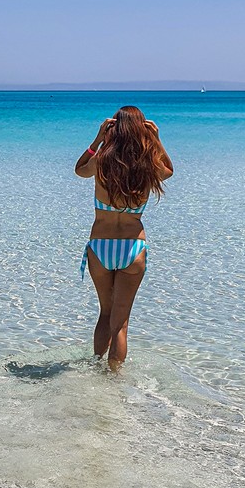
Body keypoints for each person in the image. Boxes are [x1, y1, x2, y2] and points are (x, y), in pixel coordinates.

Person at [75, 106, 173, 368]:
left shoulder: (102, 163)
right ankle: (114, 379)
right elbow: (169, 170)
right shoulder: (147, 167)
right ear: (142, 130)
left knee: (105, 314)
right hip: (133, 248)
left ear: (114, 129)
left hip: (100, 246)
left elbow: (79, 169)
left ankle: (96, 367)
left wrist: (98, 139)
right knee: (121, 322)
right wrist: (156, 139)